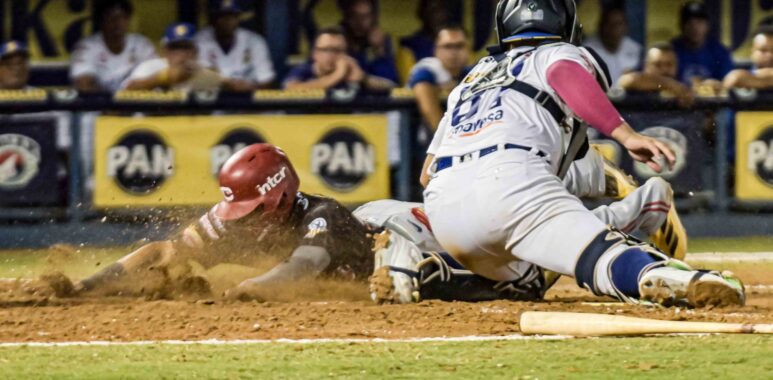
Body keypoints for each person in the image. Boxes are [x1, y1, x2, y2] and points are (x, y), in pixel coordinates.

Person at [412, 0, 743, 308]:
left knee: (526, 271)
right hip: (512, 182)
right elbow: (564, 74)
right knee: (598, 255)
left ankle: (441, 268)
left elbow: (426, 173)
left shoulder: (472, 77)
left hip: (446, 210)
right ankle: (668, 277)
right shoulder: (556, 52)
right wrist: (625, 135)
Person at [40, 144, 545, 303]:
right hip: (374, 221)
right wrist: (83, 286)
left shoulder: (325, 219)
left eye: (251, 210)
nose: (242, 222)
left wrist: (244, 289)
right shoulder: (243, 215)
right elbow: (162, 253)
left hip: (402, 229)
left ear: (279, 197)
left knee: (503, 283)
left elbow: (298, 269)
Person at [121, 23, 243, 92]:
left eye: (186, 48)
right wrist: (163, 78)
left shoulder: (205, 68)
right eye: (175, 48)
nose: (181, 54)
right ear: (165, 52)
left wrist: (216, 78)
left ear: (196, 52)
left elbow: (236, 87)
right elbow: (125, 91)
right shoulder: (151, 67)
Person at [70, 0, 156, 92]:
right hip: (100, 104)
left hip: (134, 103)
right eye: (111, 17)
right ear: (100, 21)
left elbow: (158, 77)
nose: (118, 23)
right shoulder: (86, 47)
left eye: (123, 17)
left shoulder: (141, 45)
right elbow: (83, 85)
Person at [195, 0, 276, 90]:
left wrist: (249, 89)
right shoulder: (200, 40)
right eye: (222, 16)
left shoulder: (255, 41)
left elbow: (266, 81)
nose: (227, 21)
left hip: (247, 98)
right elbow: (199, 75)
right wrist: (228, 84)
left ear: (238, 19)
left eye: (232, 16)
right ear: (213, 19)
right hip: (213, 99)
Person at [283, 27, 394, 91]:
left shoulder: (350, 69)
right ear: (315, 54)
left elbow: (392, 87)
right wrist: (337, 76)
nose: (331, 55)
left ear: (345, 53)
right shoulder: (303, 70)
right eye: (326, 50)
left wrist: (364, 79)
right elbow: (291, 89)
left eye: (337, 50)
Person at [409, 25, 471, 132]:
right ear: (436, 50)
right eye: (448, 46)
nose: (454, 52)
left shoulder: (473, 72)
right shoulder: (427, 69)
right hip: (419, 137)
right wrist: (446, 137)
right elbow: (427, 106)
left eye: (459, 46)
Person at [671, 1, 734, 86]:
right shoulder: (672, 50)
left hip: (711, 98)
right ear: (681, 26)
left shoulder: (719, 51)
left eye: (699, 22)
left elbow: (728, 82)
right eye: (689, 23)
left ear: (708, 25)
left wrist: (718, 84)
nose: (695, 28)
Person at [338, 0, 399, 83]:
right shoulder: (336, 39)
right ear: (346, 16)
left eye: (365, 16)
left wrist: (379, 49)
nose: (360, 22)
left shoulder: (380, 40)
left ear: (373, 17)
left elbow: (390, 82)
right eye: (355, 16)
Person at [618, 43, 695, 107]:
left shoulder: (683, 83)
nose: (664, 69)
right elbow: (625, 81)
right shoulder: (638, 81)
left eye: (669, 64)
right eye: (657, 65)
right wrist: (667, 83)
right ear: (646, 66)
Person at [583, 5, 642, 85]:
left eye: (618, 24)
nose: (613, 28)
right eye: (609, 23)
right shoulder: (587, 50)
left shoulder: (635, 48)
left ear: (626, 27)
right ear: (600, 26)